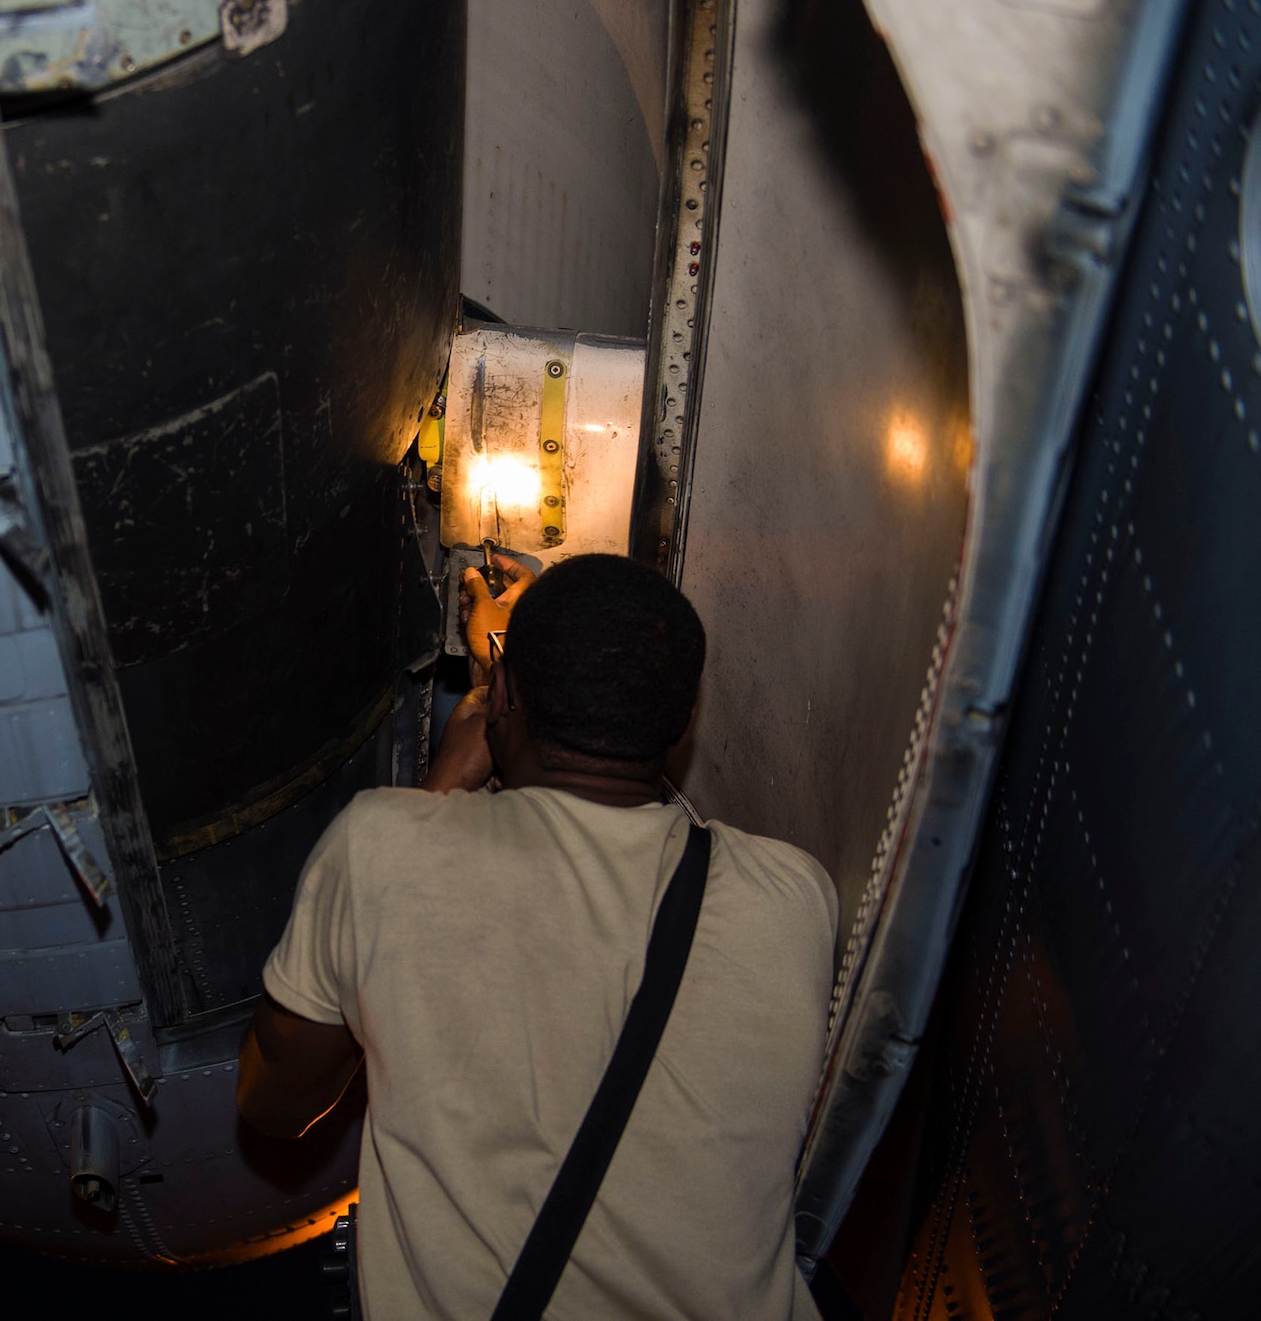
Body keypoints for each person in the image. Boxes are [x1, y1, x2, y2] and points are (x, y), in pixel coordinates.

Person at [237, 552, 836, 1319]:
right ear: (686, 715)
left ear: (506, 697)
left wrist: (444, 783)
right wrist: (512, 679)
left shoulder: (385, 851)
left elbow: (272, 1101)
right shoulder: (792, 898)